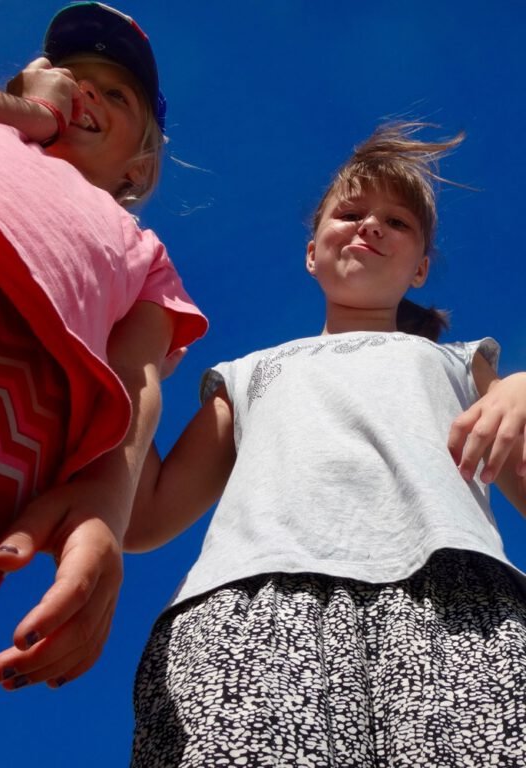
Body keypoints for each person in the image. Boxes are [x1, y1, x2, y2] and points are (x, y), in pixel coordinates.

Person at [126, 123, 526, 766]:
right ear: (311, 251)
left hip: (454, 601)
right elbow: (143, 518)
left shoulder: (461, 363)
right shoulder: (246, 372)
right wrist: (129, 368)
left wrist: (522, 390)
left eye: (396, 222)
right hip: (253, 608)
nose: (370, 227)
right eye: (349, 212)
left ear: (420, 267)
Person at [0, 2, 207, 690]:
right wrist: (20, 113)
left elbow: (139, 376)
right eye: (68, 74)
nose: (85, 91)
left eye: (115, 94)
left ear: (139, 166)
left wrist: (107, 496)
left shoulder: (143, 254)